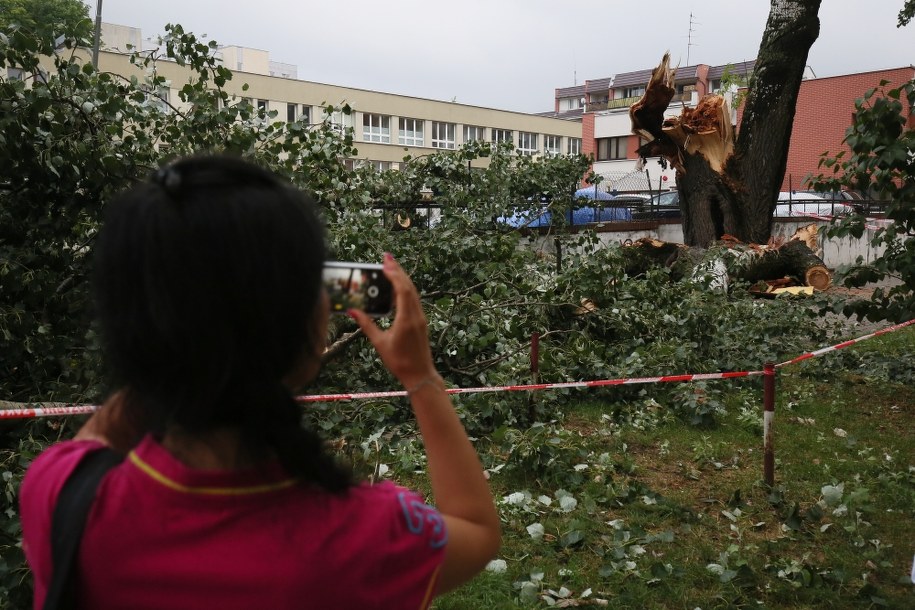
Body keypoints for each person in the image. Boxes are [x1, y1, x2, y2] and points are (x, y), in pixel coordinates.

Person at [20, 154, 500, 609]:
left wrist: (175, 327)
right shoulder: (366, 534)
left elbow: (106, 431)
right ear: (304, 329)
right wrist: (421, 376)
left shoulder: (62, 495)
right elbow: (476, 530)